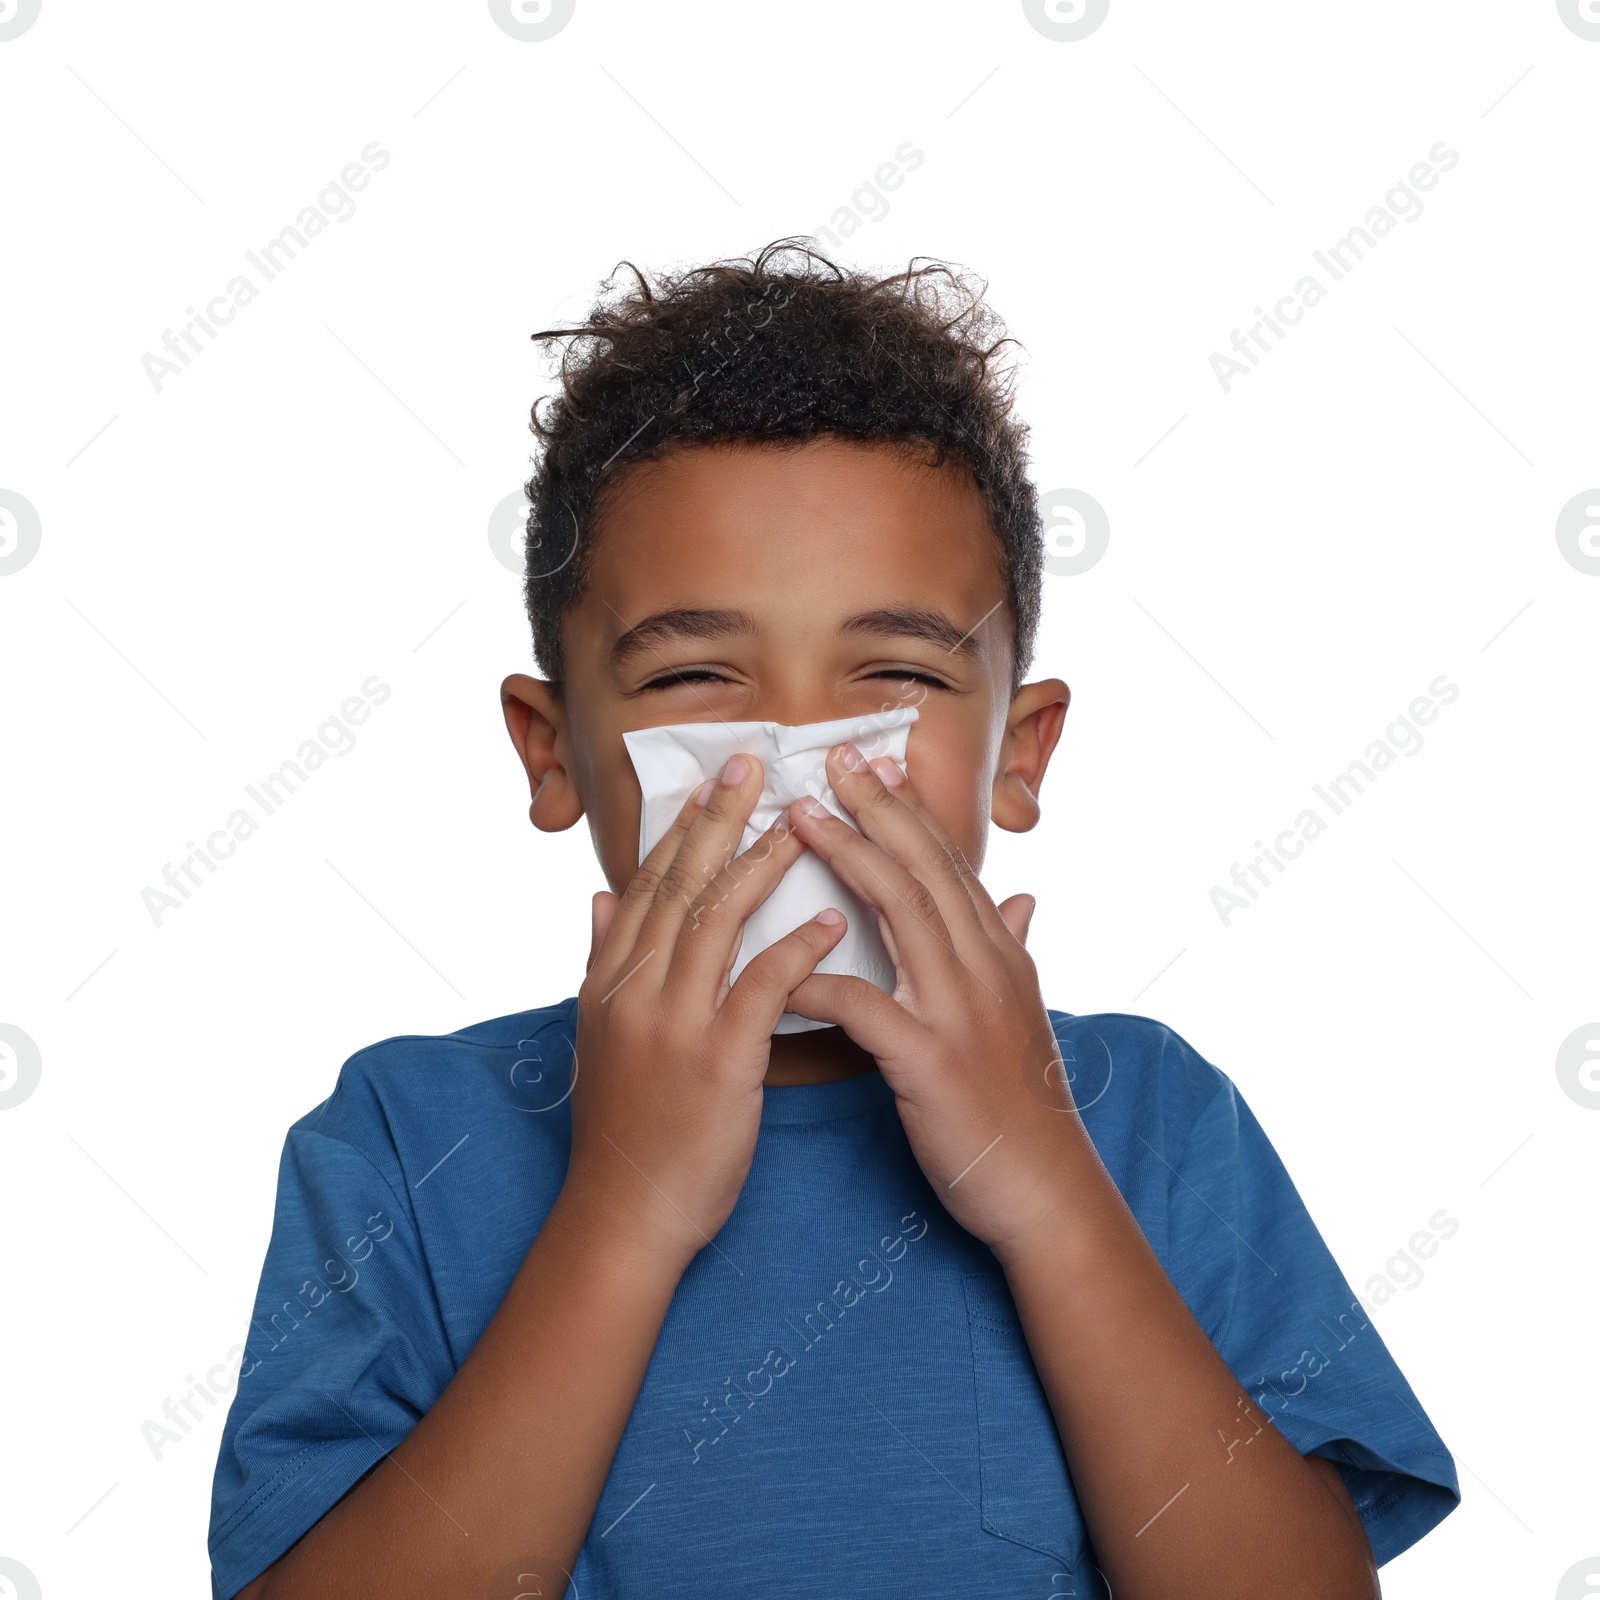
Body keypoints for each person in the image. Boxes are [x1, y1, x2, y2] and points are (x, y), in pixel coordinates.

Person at [209, 241, 1459, 1598]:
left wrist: (1045, 1190)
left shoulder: (1148, 1119)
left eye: (896, 672)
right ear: (551, 748)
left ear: (1020, 755)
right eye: (695, 673)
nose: (800, 761)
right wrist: (625, 1210)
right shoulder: (408, 1140)